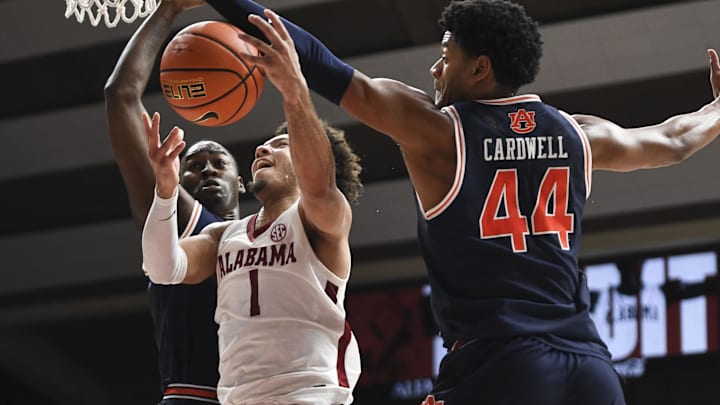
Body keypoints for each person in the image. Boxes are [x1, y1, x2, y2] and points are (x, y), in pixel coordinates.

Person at [200, 0, 720, 404]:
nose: (434, 69)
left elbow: (325, 66)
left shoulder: (440, 133)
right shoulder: (578, 134)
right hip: (590, 368)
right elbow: (674, 140)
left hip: (502, 363)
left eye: (446, 57)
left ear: (480, 68)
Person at [139, 18, 364, 403]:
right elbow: (162, 269)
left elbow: (319, 184)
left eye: (280, 144)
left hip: (308, 394)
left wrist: (295, 92)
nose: (262, 150)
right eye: (263, 145)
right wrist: (164, 191)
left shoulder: (323, 221)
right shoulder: (223, 236)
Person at [104, 1, 245, 403]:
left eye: (219, 163)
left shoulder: (271, 234)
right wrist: (169, 9)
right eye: (194, 166)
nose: (207, 171)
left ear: (243, 183)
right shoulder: (184, 217)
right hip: (195, 395)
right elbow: (120, 95)